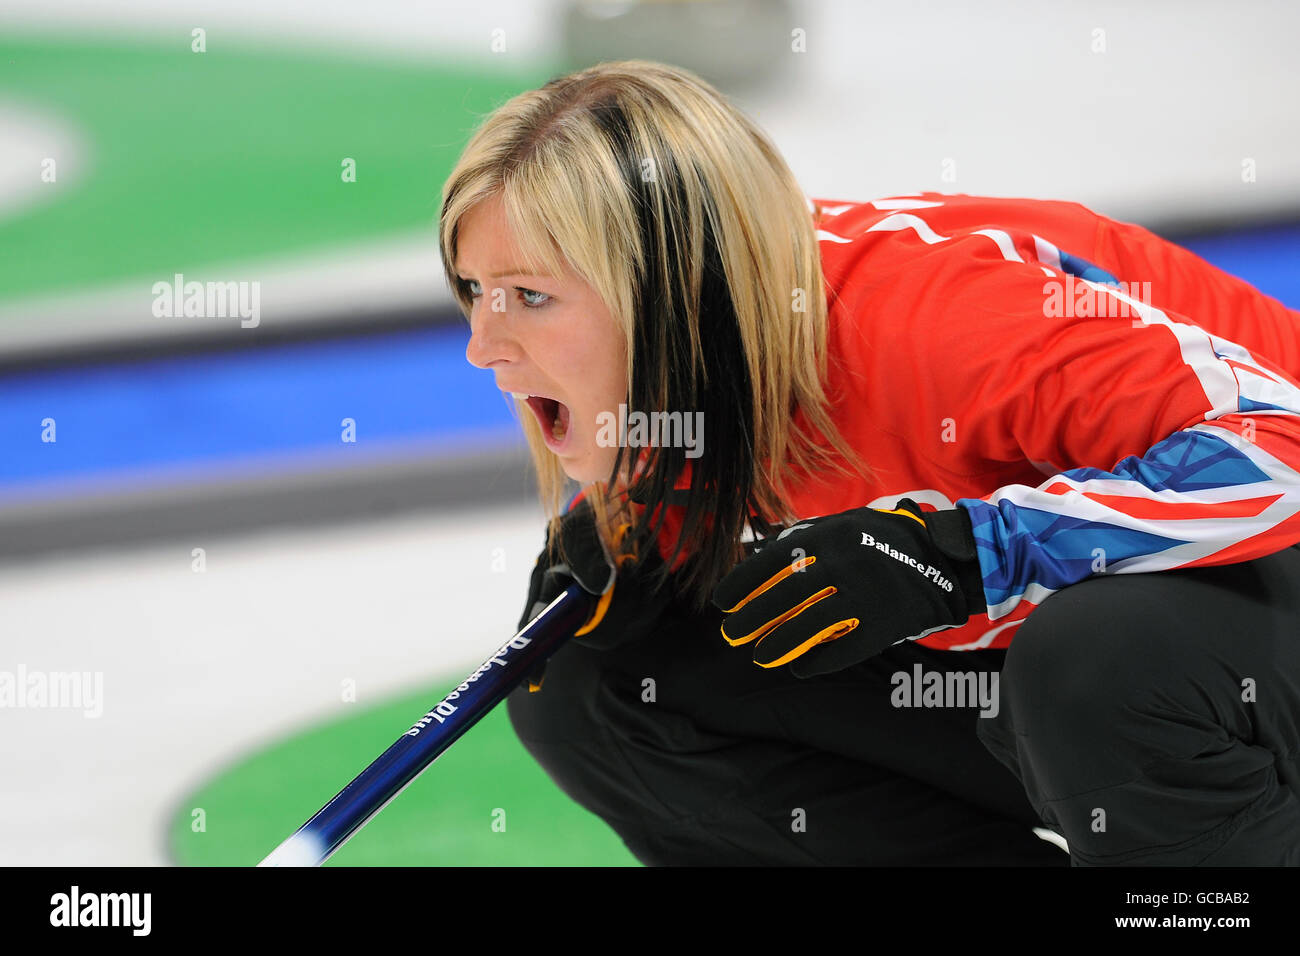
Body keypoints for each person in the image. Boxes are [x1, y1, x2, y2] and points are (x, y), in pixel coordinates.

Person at [437, 59, 1300, 866]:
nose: (483, 347)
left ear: (672, 287)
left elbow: (1279, 445)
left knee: (1097, 657)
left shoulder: (936, 318)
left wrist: (964, 552)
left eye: (533, 296)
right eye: (476, 290)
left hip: (1240, 628)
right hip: (1117, 676)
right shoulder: (699, 364)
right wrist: (642, 533)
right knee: (601, 681)